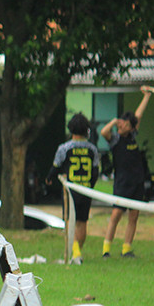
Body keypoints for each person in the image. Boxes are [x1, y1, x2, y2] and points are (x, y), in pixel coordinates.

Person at [100, 85, 154, 258]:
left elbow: (138, 115)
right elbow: (103, 132)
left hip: (137, 181)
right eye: (121, 124)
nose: (122, 127)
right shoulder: (115, 139)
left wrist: (146, 96)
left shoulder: (132, 135)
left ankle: (126, 248)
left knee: (134, 215)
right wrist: (115, 121)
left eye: (125, 125)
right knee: (116, 214)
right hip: (122, 182)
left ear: (132, 128)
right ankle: (106, 249)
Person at [46, 113, 100, 265]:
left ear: (71, 129)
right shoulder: (93, 149)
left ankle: (75, 252)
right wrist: (90, 186)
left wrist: (49, 179)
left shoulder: (64, 148)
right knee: (82, 222)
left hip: (71, 191)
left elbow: (55, 167)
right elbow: (95, 171)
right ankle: (77, 252)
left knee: (70, 221)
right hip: (86, 190)